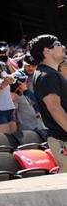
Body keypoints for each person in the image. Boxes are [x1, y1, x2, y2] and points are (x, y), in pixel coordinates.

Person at [29, 35, 67, 170]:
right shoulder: (48, 75)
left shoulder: (49, 73)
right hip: (62, 139)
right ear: (47, 51)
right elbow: (54, 107)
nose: (63, 47)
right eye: (58, 44)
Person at [10, 71, 44, 136]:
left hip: (39, 126)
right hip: (27, 129)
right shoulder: (15, 97)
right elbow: (14, 114)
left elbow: (36, 103)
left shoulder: (28, 93)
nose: (25, 83)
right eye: (23, 82)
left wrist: (26, 91)